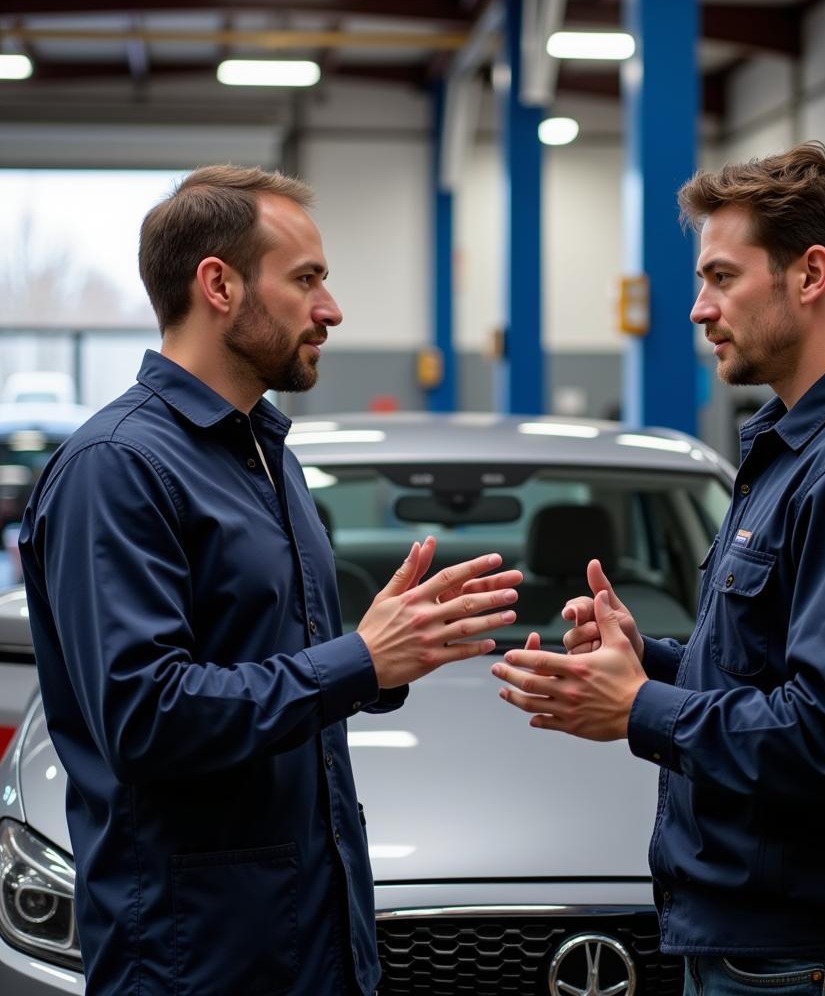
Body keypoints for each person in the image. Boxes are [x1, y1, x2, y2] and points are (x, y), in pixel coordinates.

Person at [492, 142, 825, 994]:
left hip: (816, 960)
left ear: (811, 275)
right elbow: (773, 677)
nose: (697, 309)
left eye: (722, 278)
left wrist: (640, 708)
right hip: (777, 949)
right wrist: (646, 659)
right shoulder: (800, 449)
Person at [18, 165, 521, 996]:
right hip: (195, 957)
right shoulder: (119, 468)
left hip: (312, 939)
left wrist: (385, 654)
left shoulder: (262, 452)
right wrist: (356, 660)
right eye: (308, 280)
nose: (331, 309)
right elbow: (146, 716)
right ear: (218, 284)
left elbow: (278, 664)